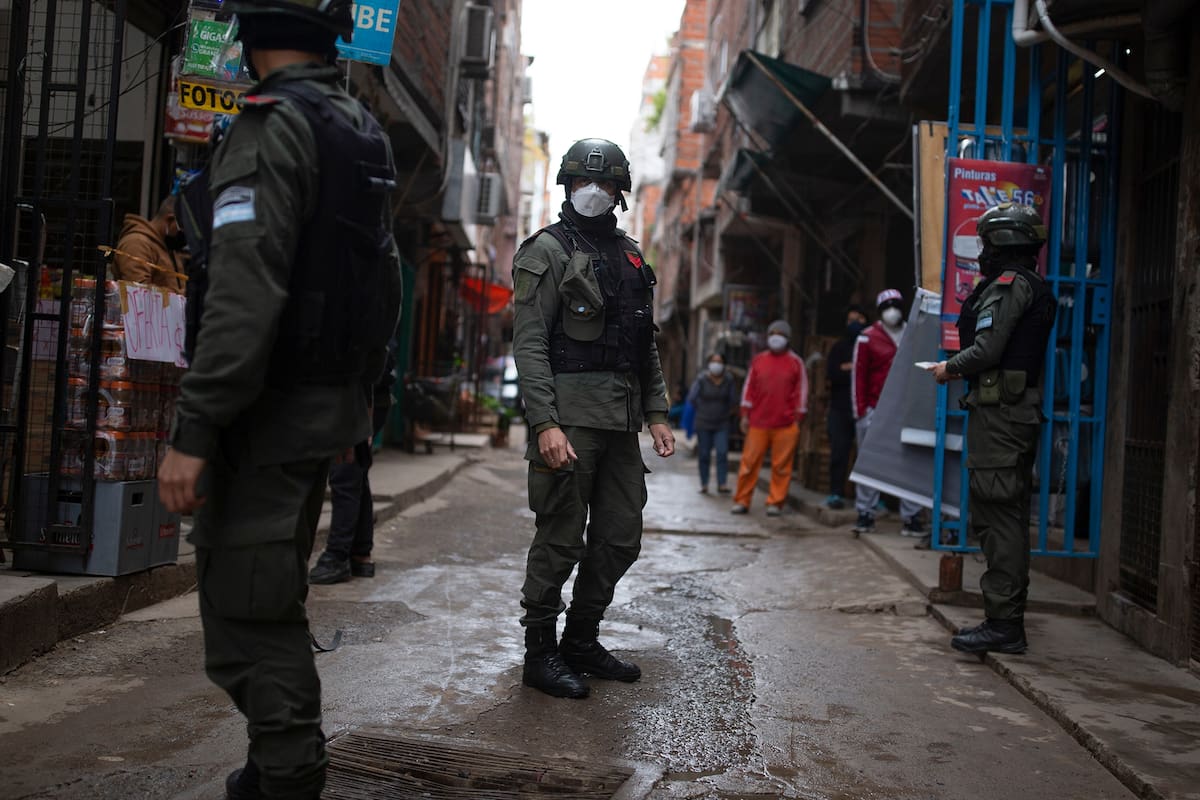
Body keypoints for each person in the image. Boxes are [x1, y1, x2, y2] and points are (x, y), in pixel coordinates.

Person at [156, 2, 402, 798]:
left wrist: (195, 428)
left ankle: (289, 776)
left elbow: (242, 290)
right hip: (319, 406)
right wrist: (357, 405)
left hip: (267, 412)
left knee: (247, 620)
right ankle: (274, 766)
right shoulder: (358, 128)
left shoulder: (273, 124)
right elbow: (384, 284)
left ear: (253, 43)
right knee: (272, 590)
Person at [512, 138, 674, 700]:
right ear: (566, 184)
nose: (595, 192)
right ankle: (540, 652)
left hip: (621, 422)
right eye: (585, 181)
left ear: (619, 193)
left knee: (620, 536)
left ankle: (581, 641)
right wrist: (544, 424)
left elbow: (643, 345)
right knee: (559, 536)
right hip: (570, 420)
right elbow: (530, 345)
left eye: (606, 185)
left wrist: (656, 412)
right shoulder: (546, 252)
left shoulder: (630, 256)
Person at [930, 202, 1055, 655]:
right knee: (1006, 515)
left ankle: (1003, 624)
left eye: (985, 243)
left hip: (1002, 417)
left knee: (998, 517)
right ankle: (1005, 620)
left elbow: (987, 350)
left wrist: (949, 368)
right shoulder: (1029, 285)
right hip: (1009, 415)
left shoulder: (1010, 286)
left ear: (1002, 243)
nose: (981, 252)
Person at [308, 348, 396, 584]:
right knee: (354, 472)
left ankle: (337, 556)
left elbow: (371, 353)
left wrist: (365, 414)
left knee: (345, 472)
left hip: (361, 397)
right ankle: (360, 553)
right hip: (363, 396)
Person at [851, 289, 924, 534]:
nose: (892, 310)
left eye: (896, 305)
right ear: (879, 311)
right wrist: (860, 412)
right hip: (874, 409)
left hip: (906, 410)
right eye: (887, 306)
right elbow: (858, 376)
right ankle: (865, 513)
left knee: (910, 464)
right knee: (870, 464)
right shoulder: (867, 338)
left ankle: (912, 517)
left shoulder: (913, 335)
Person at [731, 319, 808, 517]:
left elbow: (801, 391)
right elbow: (749, 389)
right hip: (757, 422)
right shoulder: (759, 360)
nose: (776, 337)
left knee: (782, 467)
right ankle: (741, 500)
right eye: (773, 333)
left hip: (786, 424)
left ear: (787, 338)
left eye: (780, 334)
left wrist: (798, 417)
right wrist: (744, 415)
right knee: (748, 464)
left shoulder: (796, 362)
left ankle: (775, 502)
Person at [824, 304, 867, 509]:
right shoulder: (839, 347)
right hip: (840, 409)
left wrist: (850, 368)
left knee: (867, 456)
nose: (854, 324)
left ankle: (870, 500)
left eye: (858, 320)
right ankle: (835, 493)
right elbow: (832, 373)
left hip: (865, 409)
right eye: (850, 320)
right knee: (839, 453)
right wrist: (853, 369)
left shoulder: (871, 344)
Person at [686, 353, 738, 494]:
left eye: (719, 361)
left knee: (722, 453)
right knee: (704, 454)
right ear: (709, 364)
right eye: (714, 361)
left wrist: (728, 413)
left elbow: (734, 400)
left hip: (722, 423)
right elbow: (692, 398)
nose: (716, 364)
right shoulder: (701, 379)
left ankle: (722, 483)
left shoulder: (728, 380)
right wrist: (703, 410)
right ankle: (704, 484)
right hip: (703, 422)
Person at [112, 194, 187, 291]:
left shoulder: (166, 246)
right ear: (170, 219)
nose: (183, 232)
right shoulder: (137, 243)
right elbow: (139, 291)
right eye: (182, 227)